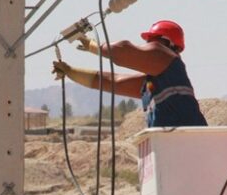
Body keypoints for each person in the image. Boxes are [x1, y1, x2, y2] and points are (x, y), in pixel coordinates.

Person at [52, 20, 207, 128]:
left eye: (151, 43)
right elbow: (112, 81)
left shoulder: (166, 58)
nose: (148, 46)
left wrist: (94, 46)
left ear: (168, 45)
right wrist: (70, 71)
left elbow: (123, 50)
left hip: (188, 144)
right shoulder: (158, 83)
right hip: (176, 148)